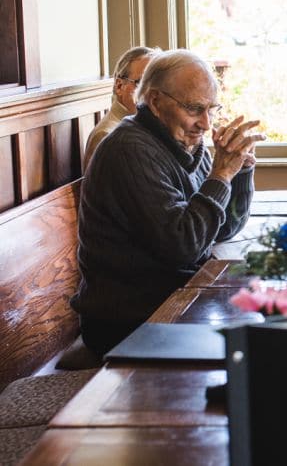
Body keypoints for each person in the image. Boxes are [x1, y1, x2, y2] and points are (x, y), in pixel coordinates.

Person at [71, 50, 266, 357]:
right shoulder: (129, 150)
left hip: (171, 301)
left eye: (212, 110)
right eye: (194, 109)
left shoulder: (185, 142)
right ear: (156, 102)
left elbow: (222, 229)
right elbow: (184, 246)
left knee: (273, 314)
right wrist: (221, 174)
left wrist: (239, 173)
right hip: (126, 321)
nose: (205, 123)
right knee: (259, 344)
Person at [83, 46, 158, 170]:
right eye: (141, 83)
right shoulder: (108, 135)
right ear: (119, 86)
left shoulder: (144, 126)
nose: (150, 93)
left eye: (155, 85)